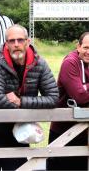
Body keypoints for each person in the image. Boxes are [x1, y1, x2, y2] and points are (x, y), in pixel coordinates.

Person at [0, 24, 59, 170]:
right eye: (12, 41)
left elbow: (53, 98)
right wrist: (26, 107)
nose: (16, 44)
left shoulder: (40, 63)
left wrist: (21, 101)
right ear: (6, 44)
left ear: (28, 42)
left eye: (20, 40)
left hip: (20, 131)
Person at [47, 32, 89, 170]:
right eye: (86, 47)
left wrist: (85, 88)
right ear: (78, 46)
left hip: (85, 133)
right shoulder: (70, 62)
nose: (88, 52)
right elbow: (80, 96)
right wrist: (83, 90)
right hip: (63, 132)